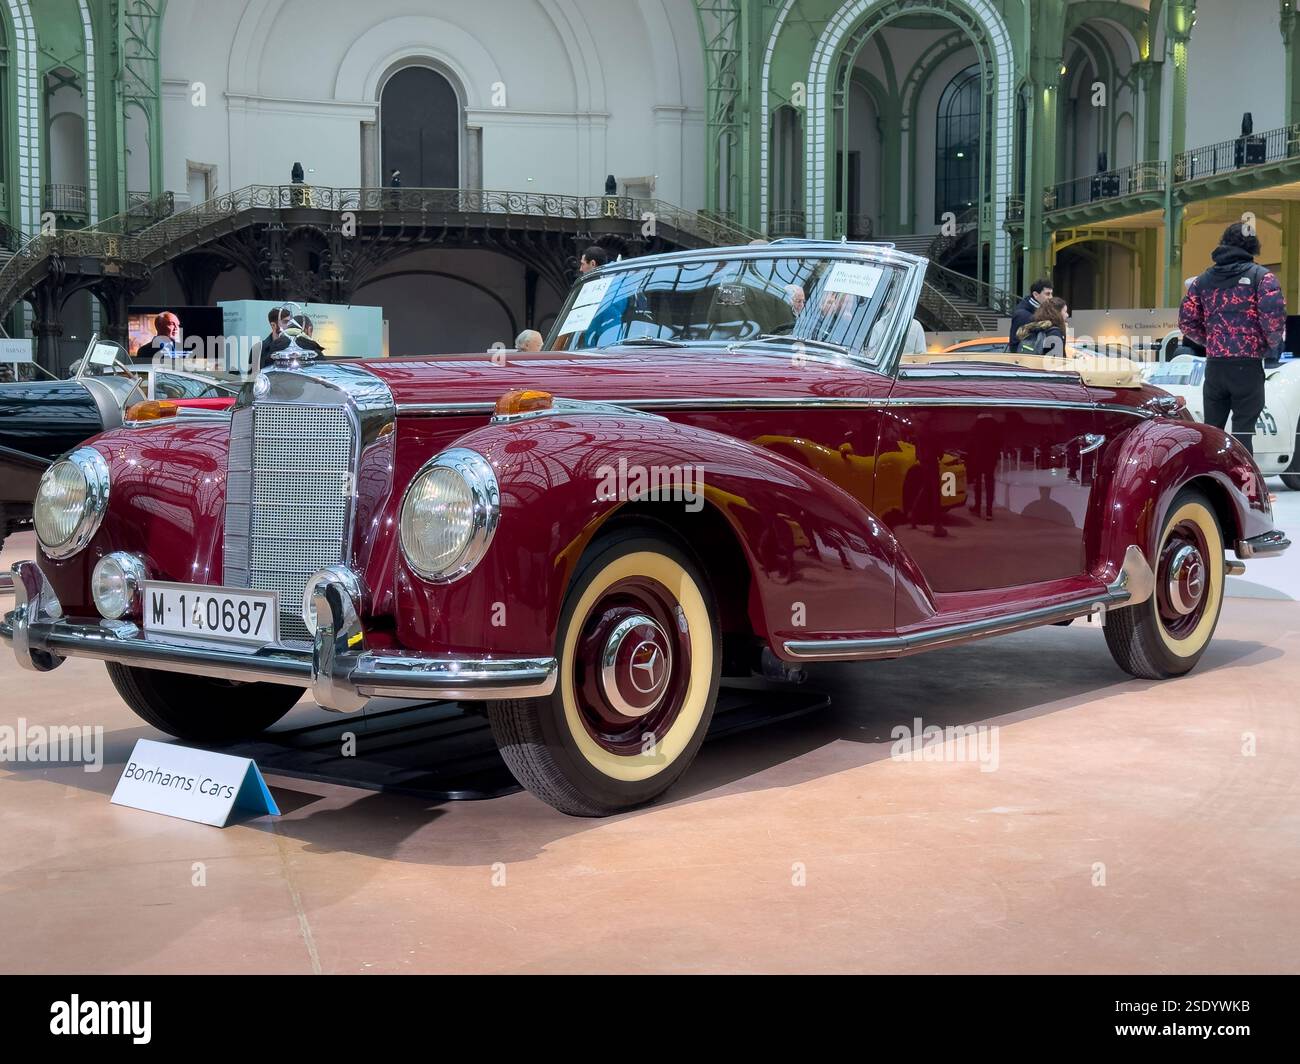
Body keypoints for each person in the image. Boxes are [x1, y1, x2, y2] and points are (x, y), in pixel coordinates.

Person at [1179, 221, 1286, 455]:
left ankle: (1211, 484)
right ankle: (1245, 487)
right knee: (1244, 432)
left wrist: (1212, 342)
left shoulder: (1202, 280)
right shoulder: (1263, 278)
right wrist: (1268, 347)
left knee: (1212, 432)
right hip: (1247, 366)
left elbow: (1186, 321)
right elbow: (1273, 320)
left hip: (1215, 366)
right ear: (1253, 245)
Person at [1008, 278, 1053, 351]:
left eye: (1051, 294)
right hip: (1025, 359)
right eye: (1047, 294)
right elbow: (1016, 344)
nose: (1051, 297)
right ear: (1035, 294)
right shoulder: (1022, 314)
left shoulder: (1039, 310)